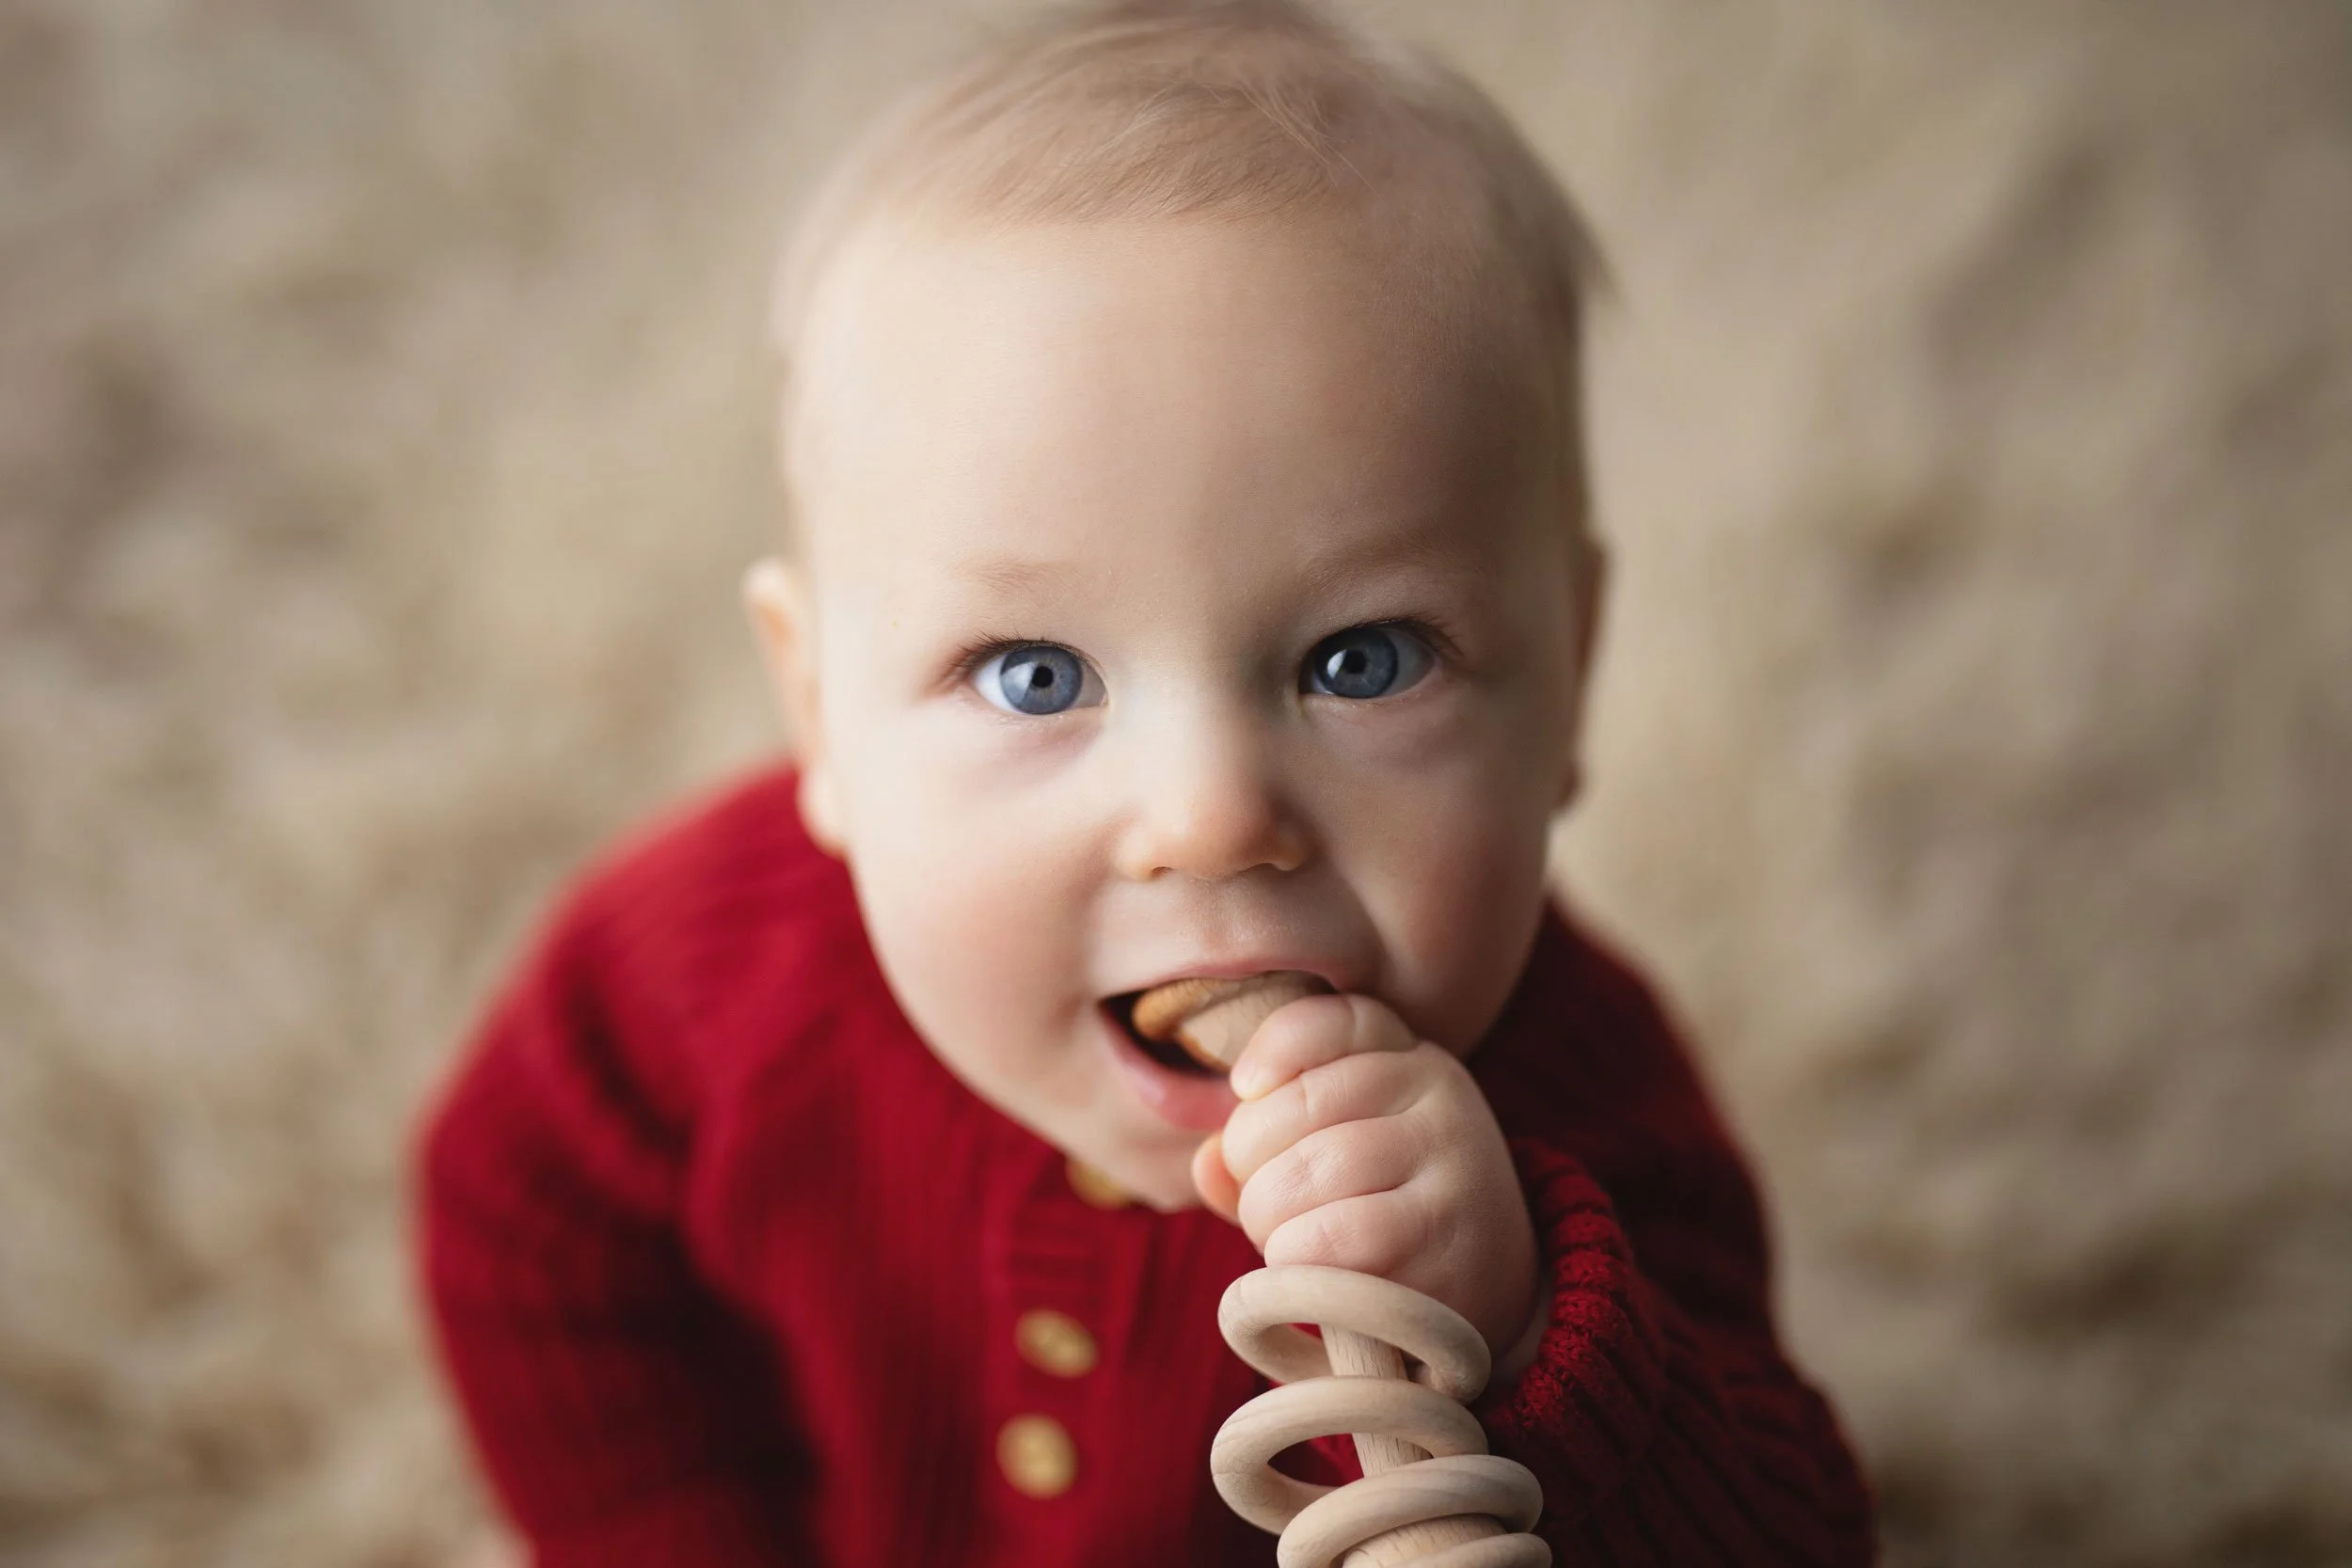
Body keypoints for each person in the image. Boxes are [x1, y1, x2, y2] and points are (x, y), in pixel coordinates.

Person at [415, 2, 1875, 1562]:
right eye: (1035, 674)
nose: (1210, 814)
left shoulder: (1581, 1116)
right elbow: (526, 1227)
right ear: (820, 716)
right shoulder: (713, 964)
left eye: (1362, 659)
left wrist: (1524, 1337)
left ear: (1571, 675)